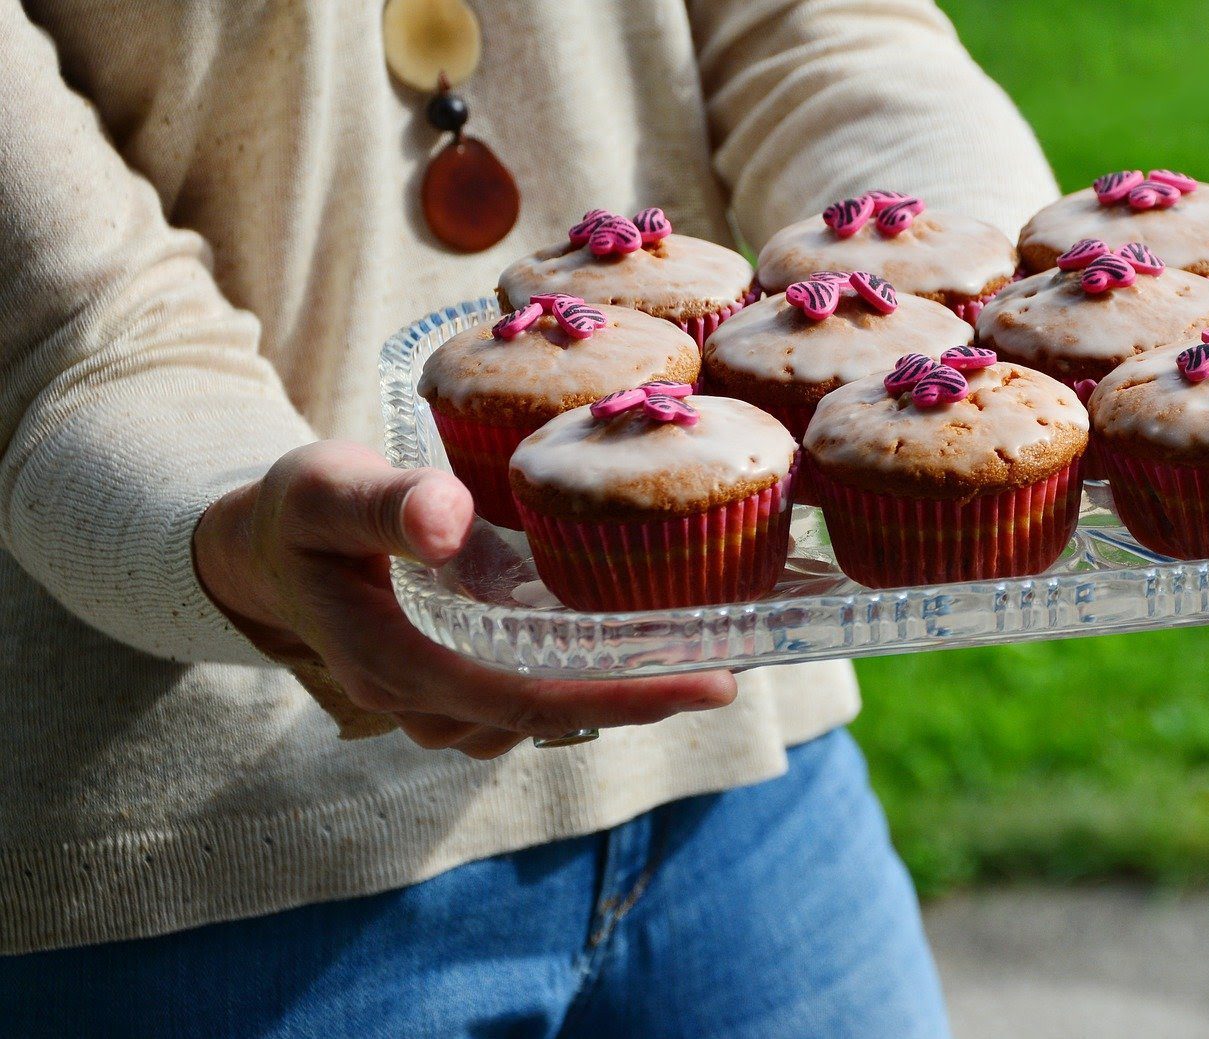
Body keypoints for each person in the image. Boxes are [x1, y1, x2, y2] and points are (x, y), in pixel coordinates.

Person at [0, 1, 1056, 1034]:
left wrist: (982, 309)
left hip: (741, 778)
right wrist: (237, 534)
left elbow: (820, 33)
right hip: (209, 878)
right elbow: (66, 328)